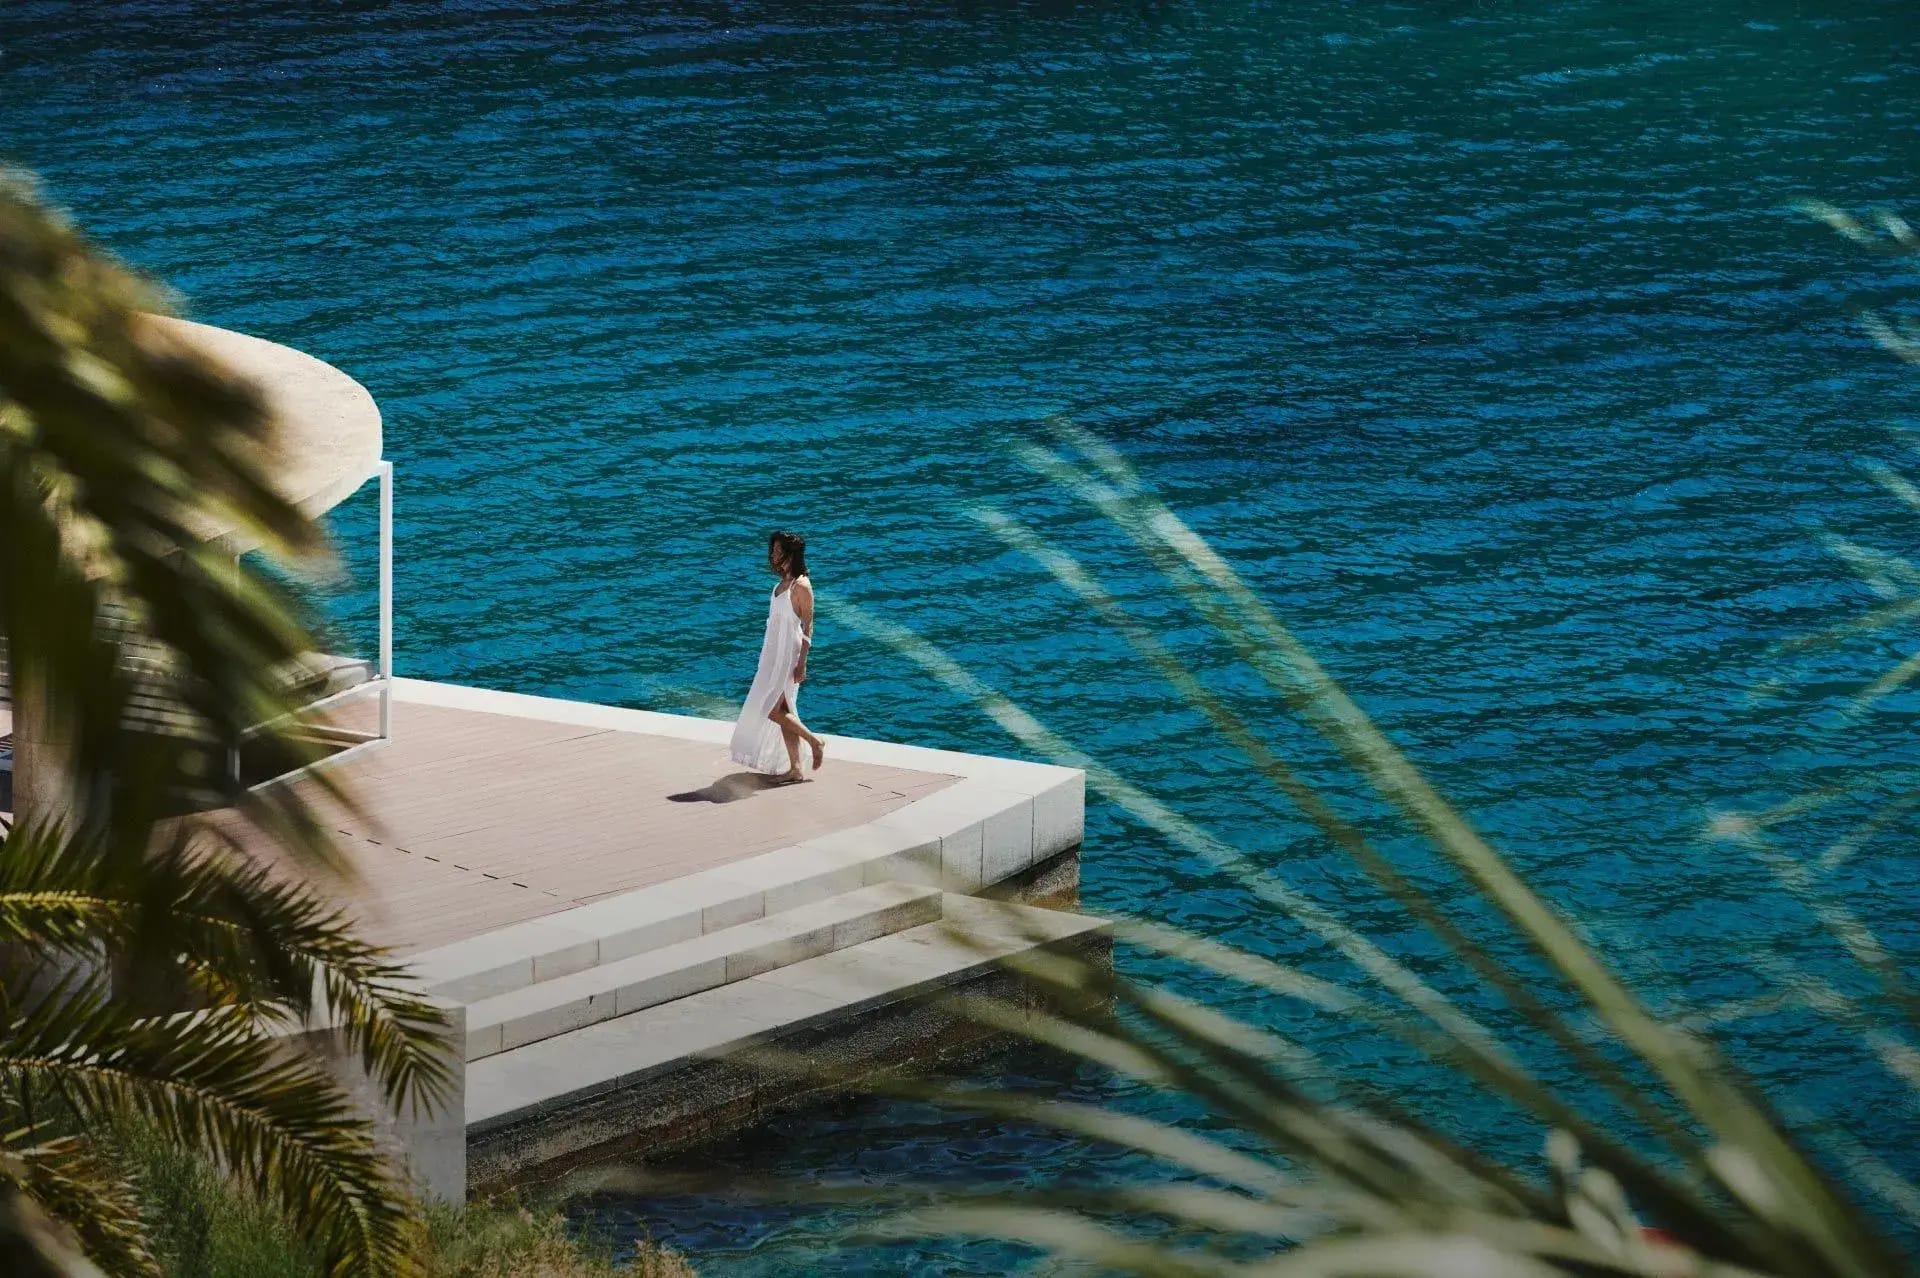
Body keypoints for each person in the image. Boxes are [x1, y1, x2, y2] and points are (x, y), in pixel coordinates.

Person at [729, 530, 826, 783]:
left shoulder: (801, 586)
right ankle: (796, 768)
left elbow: (808, 626)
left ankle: (815, 741)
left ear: (790, 554)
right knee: (783, 709)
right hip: (772, 653)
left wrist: (802, 663)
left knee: (771, 708)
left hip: (788, 654)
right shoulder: (780, 585)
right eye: (772, 550)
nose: (773, 555)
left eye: (777, 550)